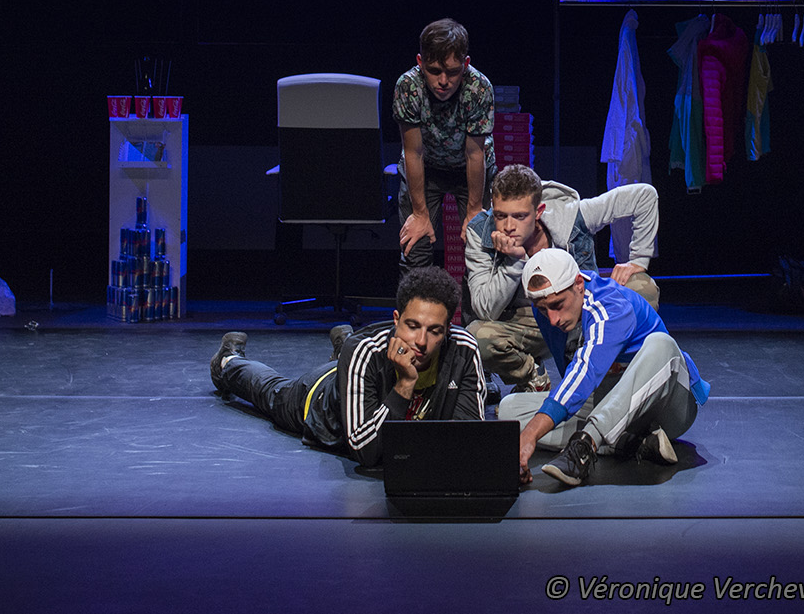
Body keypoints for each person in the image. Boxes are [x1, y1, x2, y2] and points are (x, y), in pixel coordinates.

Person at [208, 267, 485, 466]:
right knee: (272, 392)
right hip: (321, 400)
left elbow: (469, 439)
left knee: (354, 355)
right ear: (396, 319)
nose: (421, 342)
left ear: (448, 329)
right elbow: (365, 450)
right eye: (412, 326)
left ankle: (343, 347)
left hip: (357, 372)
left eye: (435, 331)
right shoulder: (366, 352)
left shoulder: (463, 349)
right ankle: (229, 362)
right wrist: (404, 384)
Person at [499, 248, 709, 488]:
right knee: (510, 410)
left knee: (661, 344)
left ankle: (585, 444)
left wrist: (531, 434)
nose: (553, 319)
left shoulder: (612, 306)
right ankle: (630, 443)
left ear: (579, 284)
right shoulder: (548, 311)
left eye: (557, 305)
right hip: (614, 405)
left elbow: (585, 370)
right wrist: (527, 434)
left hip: (668, 406)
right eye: (543, 309)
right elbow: (574, 380)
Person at [465, 163, 661, 392]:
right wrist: (514, 261)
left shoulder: (572, 215)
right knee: (477, 337)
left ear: (538, 211)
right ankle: (533, 378)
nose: (508, 226)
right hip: (528, 322)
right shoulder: (479, 233)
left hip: (584, 310)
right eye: (500, 216)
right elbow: (485, 310)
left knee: (643, 288)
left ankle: (617, 366)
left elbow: (644, 196)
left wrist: (638, 259)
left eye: (519, 216)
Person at [394, 18, 496, 270]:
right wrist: (420, 214)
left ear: (465, 64)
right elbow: (413, 152)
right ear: (420, 62)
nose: (443, 81)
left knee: (480, 250)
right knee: (414, 247)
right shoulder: (408, 86)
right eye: (434, 71)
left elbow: (474, 154)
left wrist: (474, 211)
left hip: (469, 168)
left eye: (452, 72)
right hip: (426, 167)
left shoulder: (478, 88)